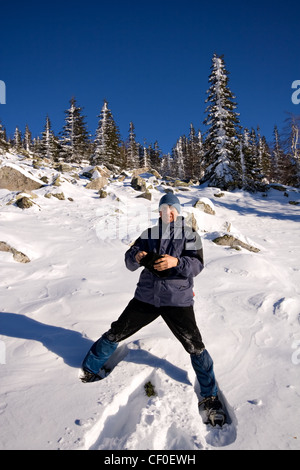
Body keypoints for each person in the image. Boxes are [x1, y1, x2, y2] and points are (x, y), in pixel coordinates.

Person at [80, 193, 225, 426]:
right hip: (146, 297)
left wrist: (176, 262)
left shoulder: (190, 235)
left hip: (177, 300)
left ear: (177, 212)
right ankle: (89, 368)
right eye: (163, 209)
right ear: (159, 212)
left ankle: (209, 395)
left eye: (172, 210)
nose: (167, 213)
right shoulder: (149, 234)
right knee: (117, 331)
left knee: (194, 345)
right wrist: (137, 255)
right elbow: (129, 260)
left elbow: (197, 265)